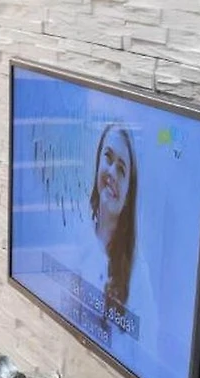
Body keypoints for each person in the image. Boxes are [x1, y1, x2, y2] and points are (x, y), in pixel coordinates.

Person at [82, 123, 157, 356]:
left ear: (128, 195)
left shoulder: (138, 274)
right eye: (108, 157)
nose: (112, 173)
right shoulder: (77, 232)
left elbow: (148, 354)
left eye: (122, 169)